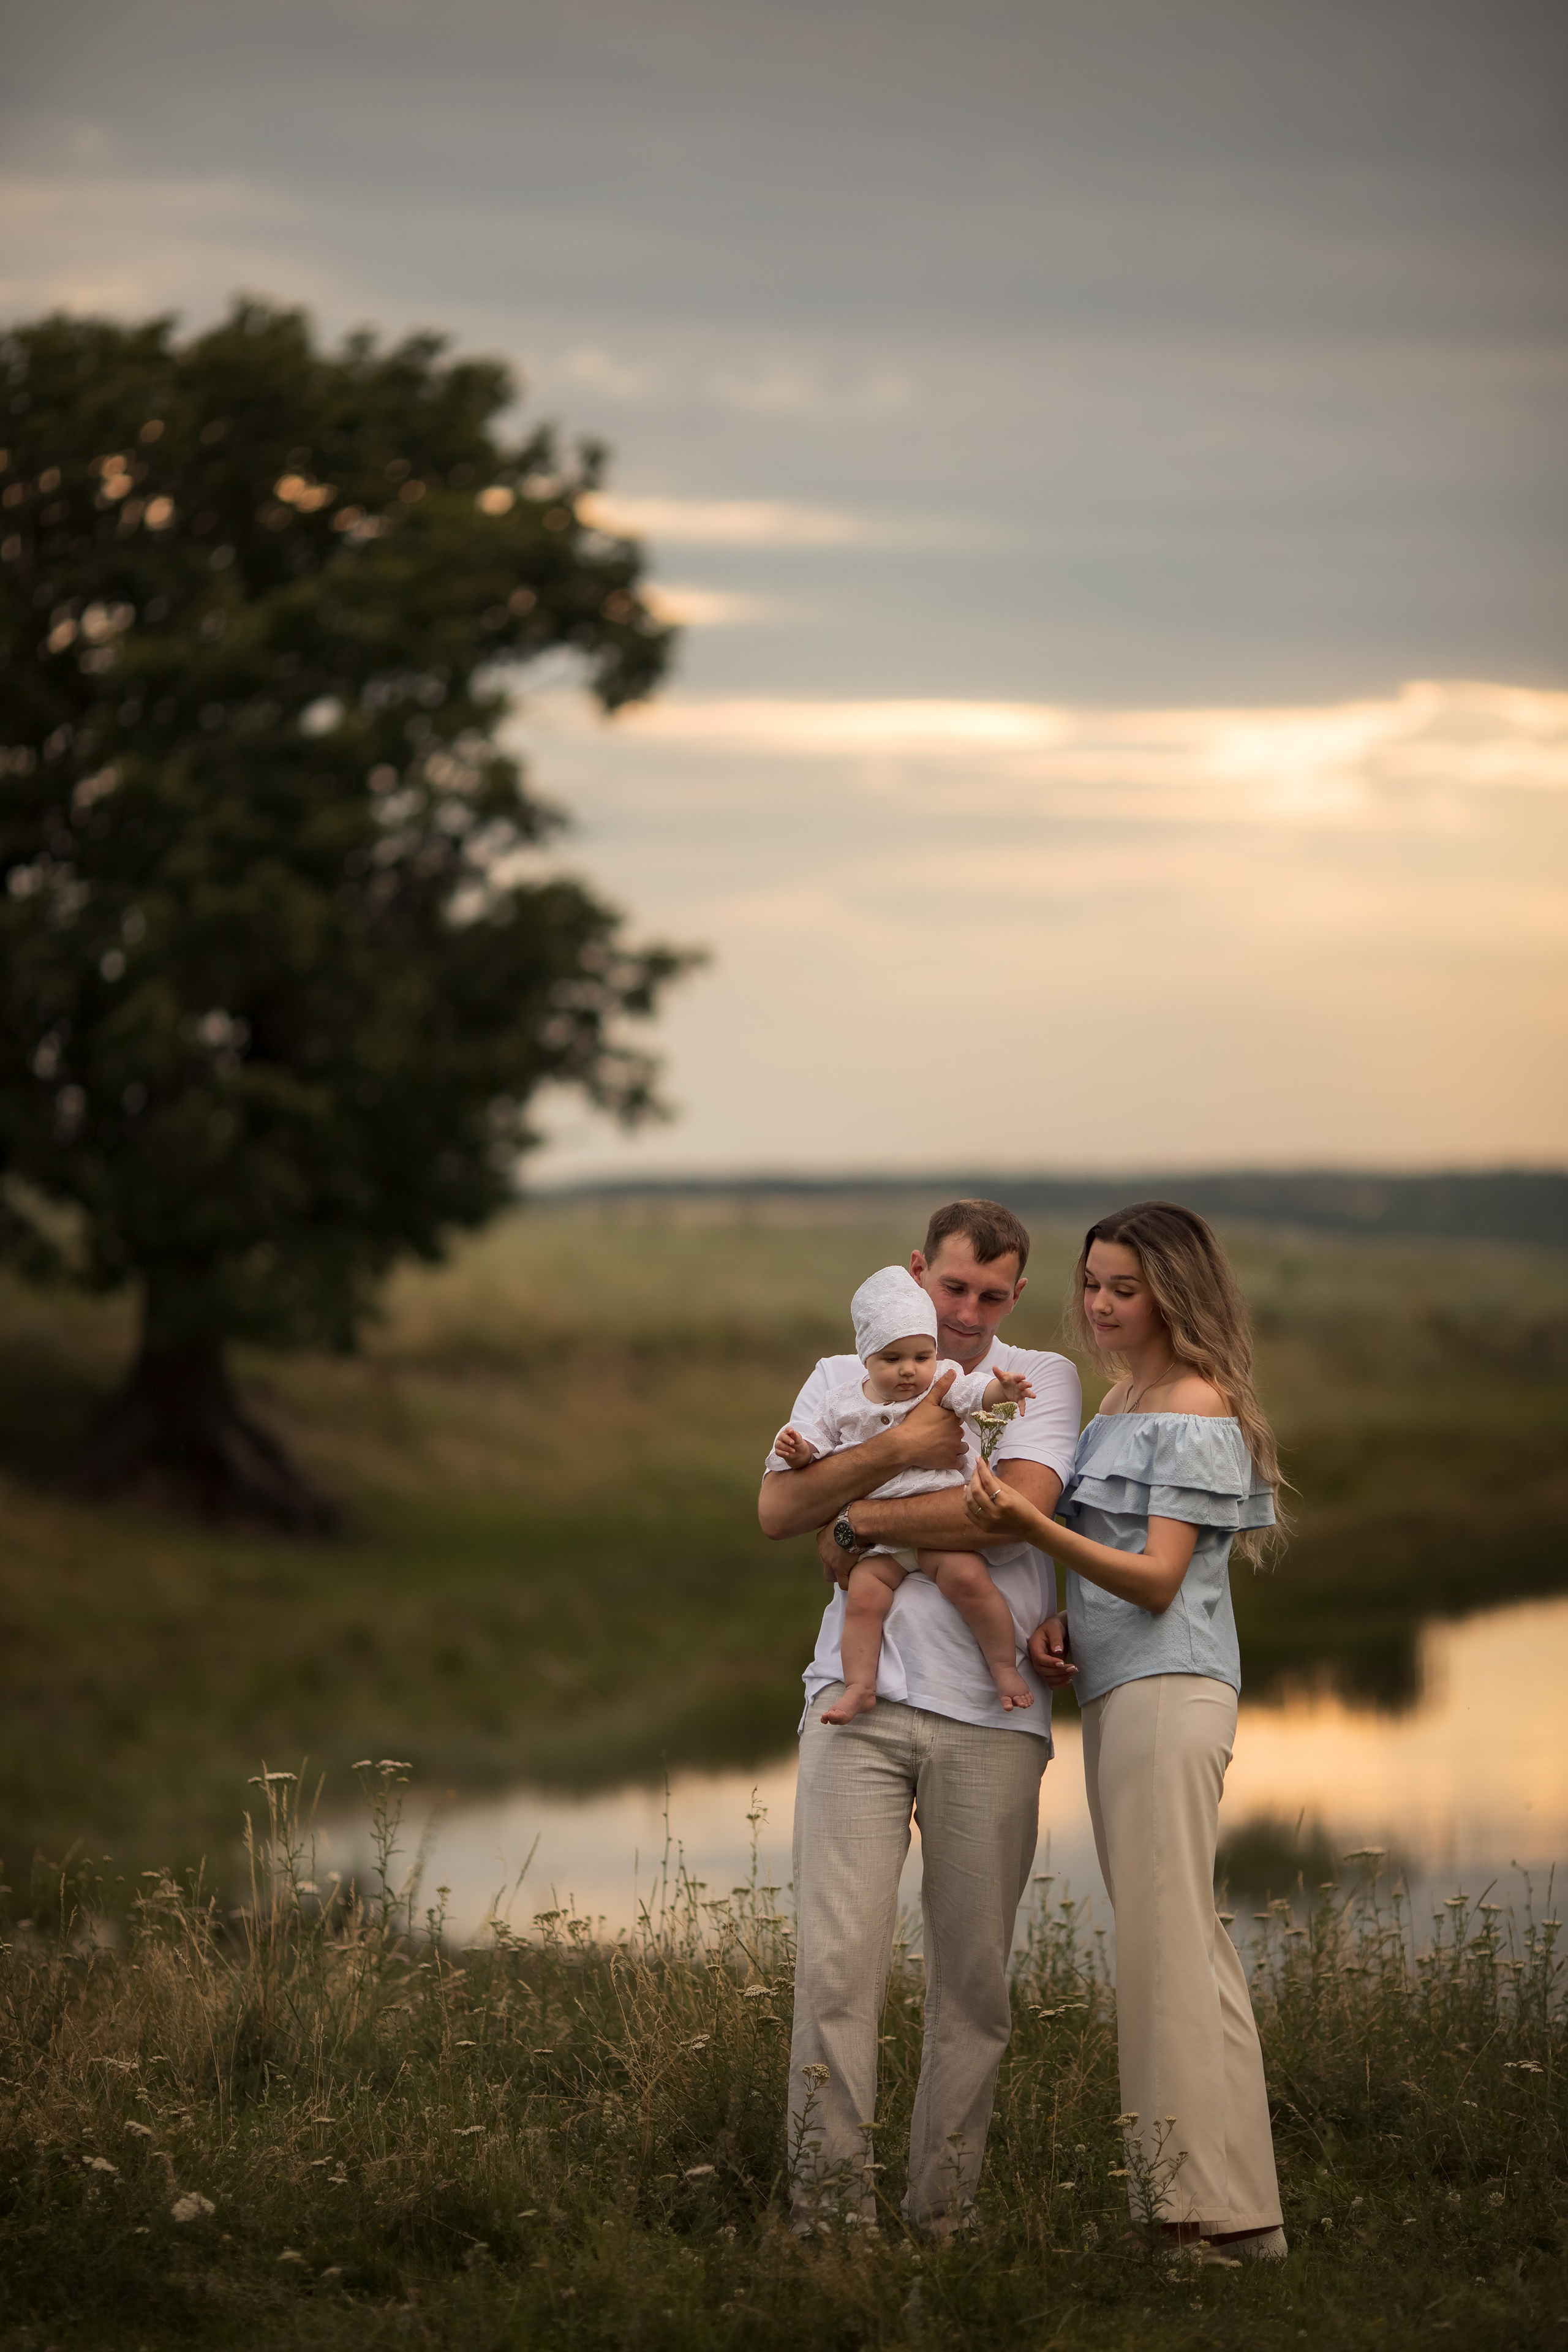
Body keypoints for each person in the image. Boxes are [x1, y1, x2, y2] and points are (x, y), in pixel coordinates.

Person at [965, 1200, 1289, 2260]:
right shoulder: (1118, 1403)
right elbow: (1121, 1576)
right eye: (1094, 1284)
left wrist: (1031, 1525)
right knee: (1184, 1941)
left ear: (1174, 1294)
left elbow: (1156, 1581)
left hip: (1170, 1689)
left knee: (1161, 1949)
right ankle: (1245, 2219)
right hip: (1125, 1688)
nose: (1100, 1305)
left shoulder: (1193, 1402)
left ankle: (1185, 2213)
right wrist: (1064, 1621)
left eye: (1125, 1289)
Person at [759, 1199, 1081, 2235]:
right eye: (952, 1288)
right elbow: (777, 1511)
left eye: (993, 1294)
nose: (969, 1312)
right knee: (834, 1969)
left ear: (1016, 1295)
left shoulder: (1038, 1380)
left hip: (991, 1717)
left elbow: (1010, 1511)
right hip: (852, 1708)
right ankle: (829, 2221)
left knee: (972, 1985)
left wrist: (855, 1517)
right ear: (916, 1271)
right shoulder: (839, 1374)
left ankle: (944, 2218)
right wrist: (909, 1445)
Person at [767, 1262, 1038, 1722]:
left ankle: (1004, 1668)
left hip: (936, 1532)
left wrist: (1001, 1390)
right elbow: (817, 1445)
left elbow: (975, 1394)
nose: (909, 1371)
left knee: (972, 1584)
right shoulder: (841, 1401)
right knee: (863, 1603)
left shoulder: (944, 1380)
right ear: (866, 1360)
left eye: (921, 1357)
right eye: (892, 1360)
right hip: (880, 1548)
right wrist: (799, 1452)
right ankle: (860, 1686)